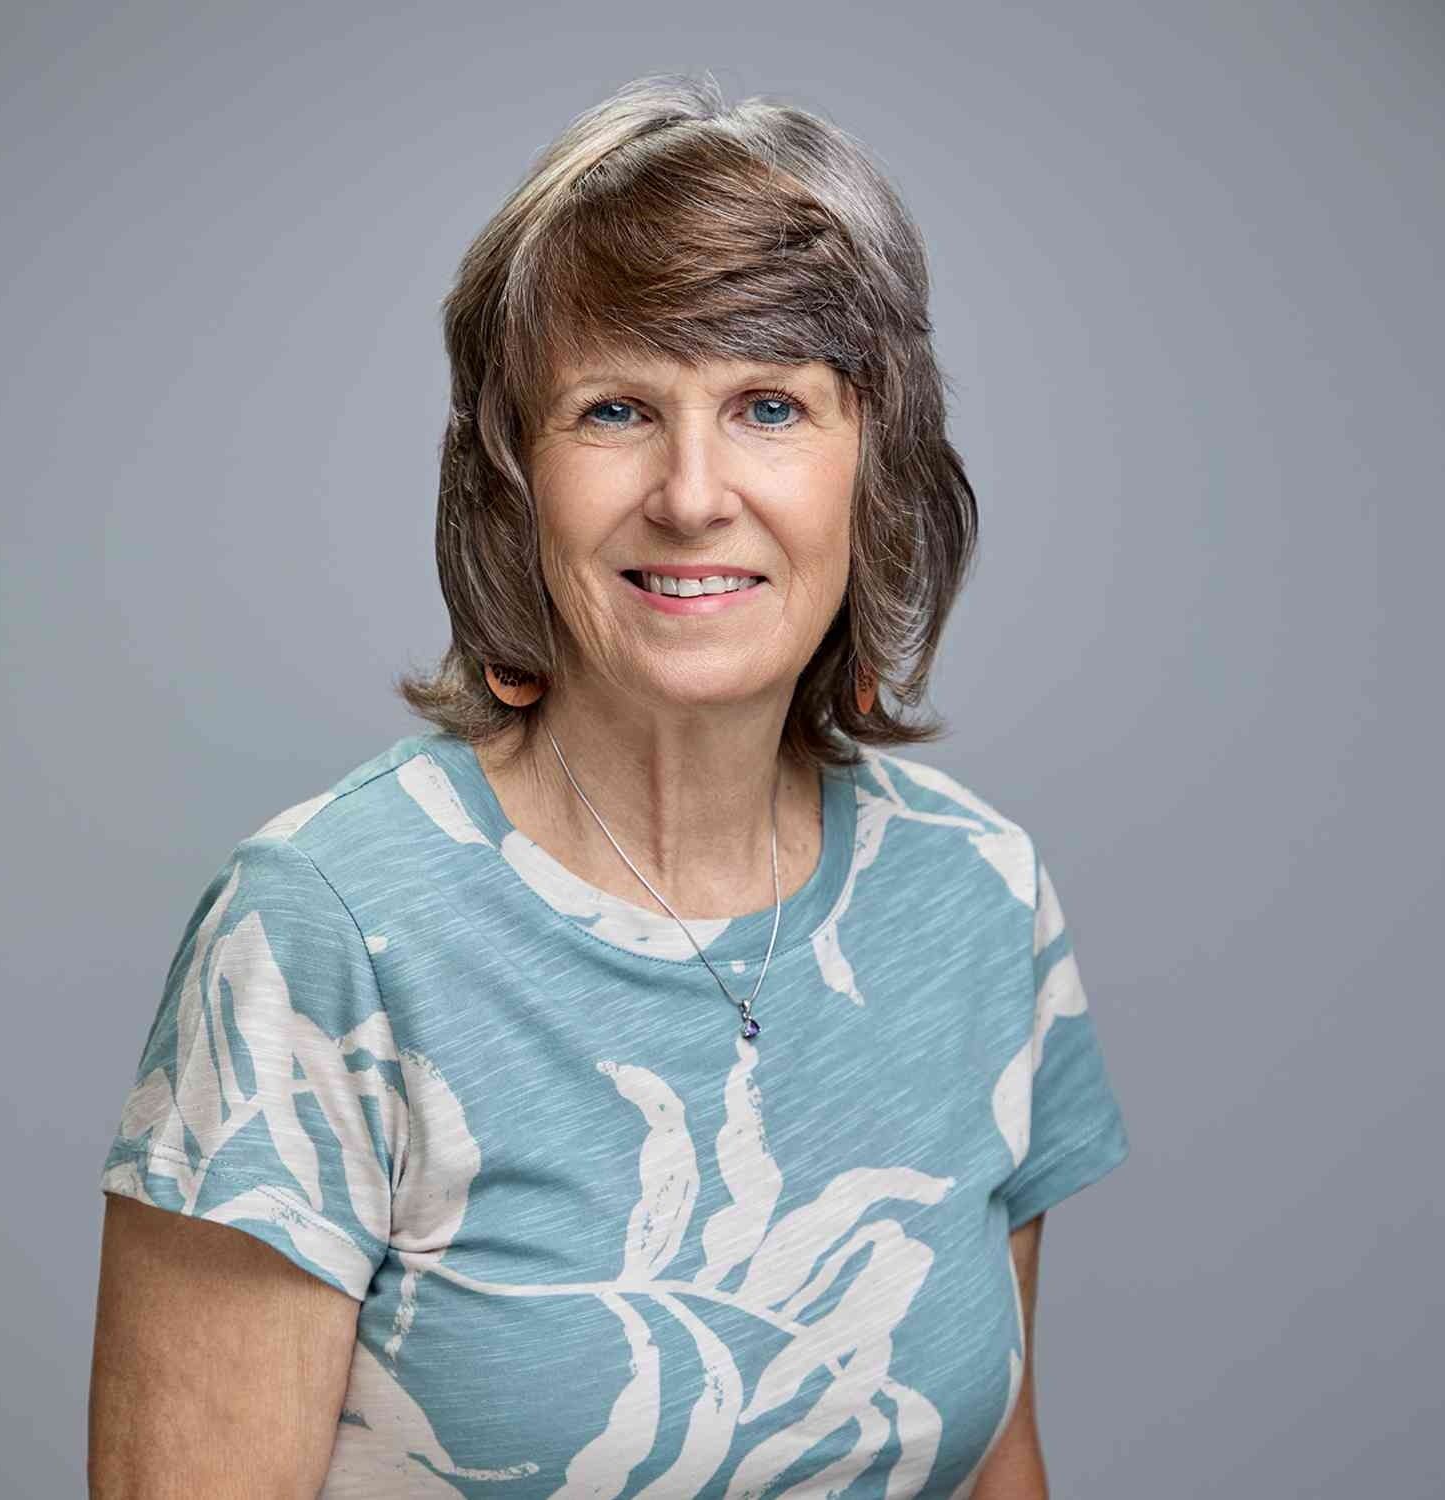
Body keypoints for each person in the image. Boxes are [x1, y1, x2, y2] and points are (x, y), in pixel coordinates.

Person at [89, 71, 1130, 1499]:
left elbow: (990, 1453)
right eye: (617, 409)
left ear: (872, 463)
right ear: (511, 473)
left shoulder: (977, 898)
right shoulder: (327, 933)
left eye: (770, 406)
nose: (694, 493)